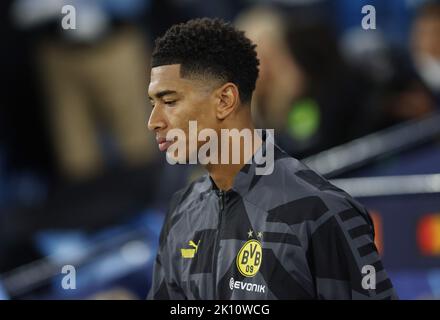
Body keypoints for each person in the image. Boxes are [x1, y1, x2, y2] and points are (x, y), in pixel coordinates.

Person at [146, 18, 397, 300]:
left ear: (225, 100)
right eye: (152, 104)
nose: (153, 122)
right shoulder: (182, 209)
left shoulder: (319, 212)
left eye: (169, 102)